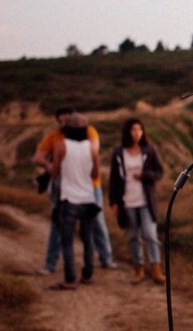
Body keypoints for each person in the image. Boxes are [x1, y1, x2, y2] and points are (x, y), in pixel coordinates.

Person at [32, 107, 116, 274]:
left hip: (80, 189)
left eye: (66, 121)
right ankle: (63, 266)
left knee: (77, 231)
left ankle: (101, 261)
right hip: (80, 190)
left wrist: (56, 165)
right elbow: (95, 167)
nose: (64, 124)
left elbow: (55, 169)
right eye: (61, 121)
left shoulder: (62, 144)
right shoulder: (57, 138)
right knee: (73, 230)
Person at [108, 118, 166, 284]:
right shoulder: (119, 152)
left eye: (139, 130)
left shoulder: (149, 150)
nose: (137, 133)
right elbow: (113, 179)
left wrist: (145, 176)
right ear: (127, 132)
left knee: (150, 234)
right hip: (127, 200)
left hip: (146, 201)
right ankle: (138, 269)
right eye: (133, 130)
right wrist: (114, 201)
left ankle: (156, 269)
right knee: (133, 236)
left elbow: (159, 172)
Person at [48, 114, 100, 290]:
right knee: (87, 239)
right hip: (88, 198)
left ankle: (70, 279)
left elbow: (54, 172)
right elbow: (95, 174)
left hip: (68, 199)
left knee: (67, 241)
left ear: (65, 130)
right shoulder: (92, 147)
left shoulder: (60, 146)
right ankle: (88, 275)